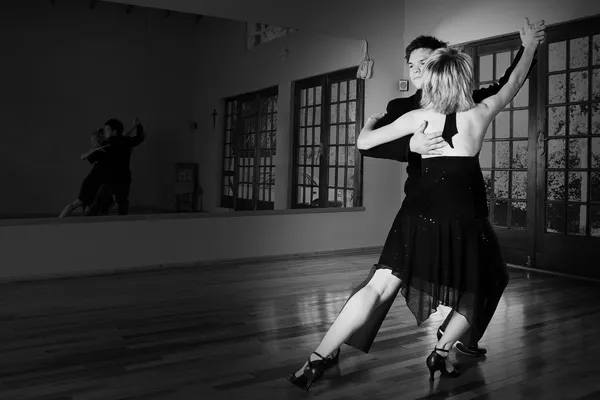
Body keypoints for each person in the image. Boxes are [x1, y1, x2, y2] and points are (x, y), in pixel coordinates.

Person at [287, 18, 544, 391]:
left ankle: (317, 359)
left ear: (434, 78)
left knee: (377, 286)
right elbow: (515, 82)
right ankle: (440, 352)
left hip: (417, 215)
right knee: (484, 284)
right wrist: (531, 46)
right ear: (461, 80)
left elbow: (364, 143)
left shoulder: (416, 116)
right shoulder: (479, 111)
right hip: (464, 218)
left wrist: (370, 124)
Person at [85, 117, 145, 216]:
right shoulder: (126, 141)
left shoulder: (107, 144)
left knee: (96, 206)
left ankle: (85, 225)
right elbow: (139, 138)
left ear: (114, 132)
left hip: (110, 180)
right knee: (122, 205)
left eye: (107, 130)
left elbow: (92, 159)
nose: (105, 132)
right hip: (124, 179)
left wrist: (93, 150)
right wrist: (138, 126)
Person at [58, 128, 113, 218]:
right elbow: (82, 157)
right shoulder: (97, 151)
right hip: (92, 182)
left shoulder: (108, 149)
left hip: (99, 183)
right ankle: (59, 221)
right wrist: (95, 149)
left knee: (103, 205)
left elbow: (121, 139)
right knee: (76, 203)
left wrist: (133, 127)